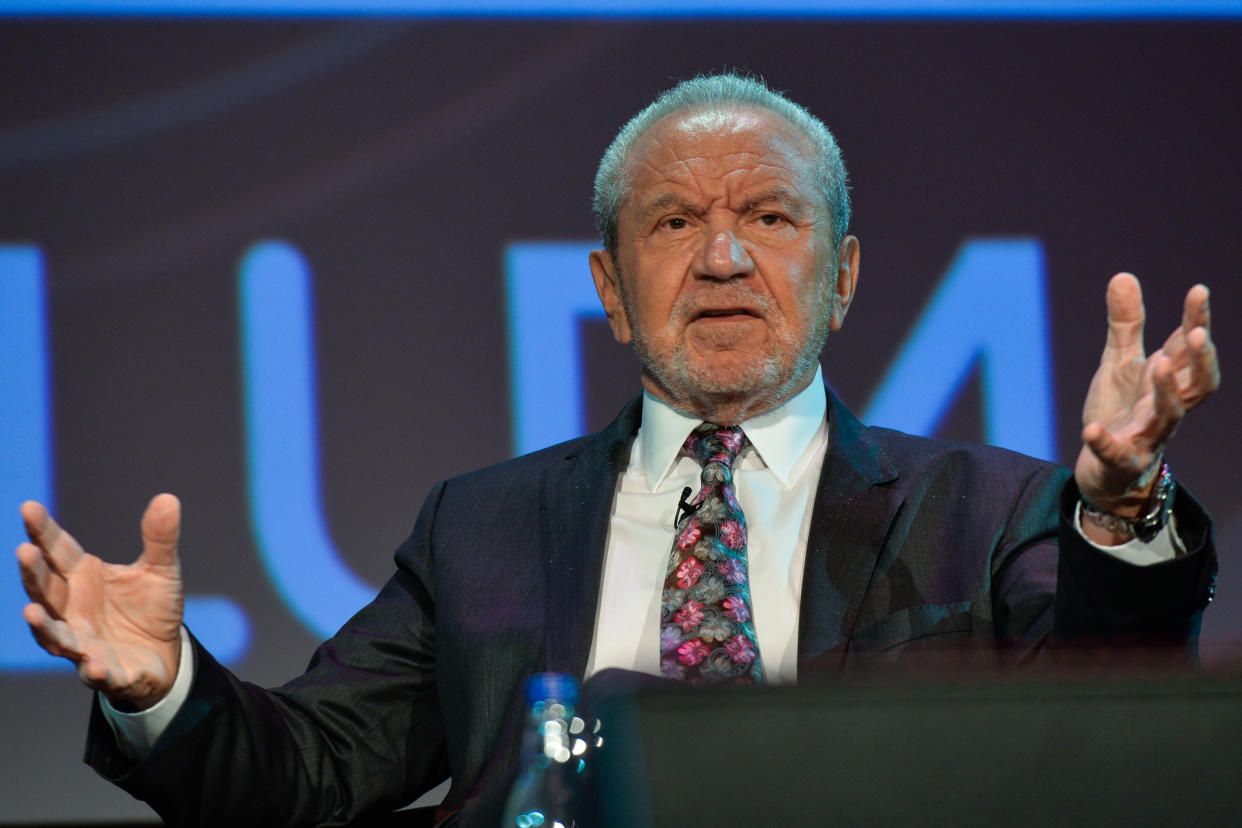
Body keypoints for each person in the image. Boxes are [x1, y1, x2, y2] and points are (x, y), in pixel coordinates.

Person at [16, 73, 1220, 826]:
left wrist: (1116, 508)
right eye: (675, 221)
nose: (724, 257)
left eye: (769, 216)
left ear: (842, 277)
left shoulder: (989, 507)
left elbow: (1110, 714)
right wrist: (164, 689)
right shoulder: (481, 527)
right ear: (610, 287)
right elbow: (310, 774)